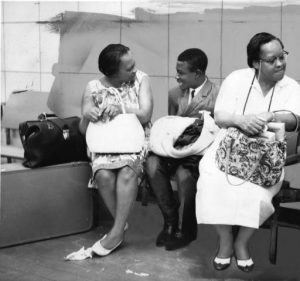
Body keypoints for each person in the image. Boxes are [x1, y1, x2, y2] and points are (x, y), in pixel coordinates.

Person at [195, 32, 300, 272]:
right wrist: (242, 121)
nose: (280, 63)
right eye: (272, 59)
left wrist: (270, 115)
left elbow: (295, 120)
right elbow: (221, 116)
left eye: (282, 56)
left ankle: (242, 242)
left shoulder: (291, 87)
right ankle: (225, 241)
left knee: (257, 191)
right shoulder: (237, 79)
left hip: (267, 153)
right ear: (255, 63)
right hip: (229, 146)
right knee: (212, 182)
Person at [79, 44, 153, 256]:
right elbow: (84, 129)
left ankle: (117, 231)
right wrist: (89, 114)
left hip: (134, 141)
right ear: (111, 72)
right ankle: (121, 225)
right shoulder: (93, 87)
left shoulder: (141, 79)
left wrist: (122, 109)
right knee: (103, 175)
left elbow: (146, 114)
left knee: (127, 171)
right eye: (128, 68)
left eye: (133, 65)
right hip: (104, 143)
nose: (134, 70)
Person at [145, 48, 219, 251]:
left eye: (182, 72)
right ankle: (169, 221)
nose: (177, 76)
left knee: (185, 176)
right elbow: (171, 126)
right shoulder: (174, 94)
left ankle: (185, 230)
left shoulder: (217, 94)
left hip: (198, 154)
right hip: (174, 150)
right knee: (151, 164)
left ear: (197, 73)